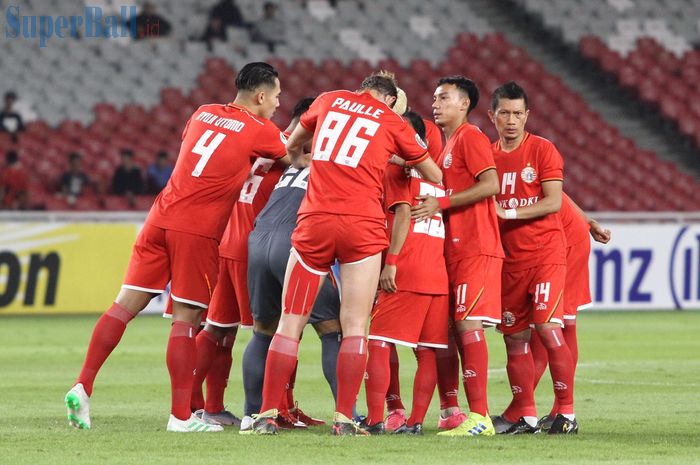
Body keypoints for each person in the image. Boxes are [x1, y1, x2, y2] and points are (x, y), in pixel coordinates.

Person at [64, 62, 288, 433]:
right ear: (260, 96)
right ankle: (181, 417)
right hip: (196, 230)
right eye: (276, 97)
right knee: (187, 320)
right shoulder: (260, 129)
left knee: (123, 305)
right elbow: (288, 154)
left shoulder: (202, 113)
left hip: (159, 216)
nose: (279, 104)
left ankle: (82, 385)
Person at [252, 72, 442, 436]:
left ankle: (266, 415)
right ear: (388, 100)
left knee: (290, 320)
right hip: (362, 227)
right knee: (355, 325)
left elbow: (293, 144)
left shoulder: (328, 99)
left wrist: (302, 161)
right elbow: (432, 171)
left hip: (315, 221)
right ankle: (344, 419)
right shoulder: (390, 120)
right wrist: (398, 160)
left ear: (361, 90)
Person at [187, 99, 302, 429]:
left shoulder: (257, 147)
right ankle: (271, 408)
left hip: (227, 241)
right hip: (253, 247)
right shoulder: (288, 159)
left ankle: (199, 406)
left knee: (218, 328)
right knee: (270, 332)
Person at [241, 97, 346, 433]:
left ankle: (252, 414)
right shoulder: (333, 167)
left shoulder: (291, 164)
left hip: (257, 242)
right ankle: (349, 415)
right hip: (293, 245)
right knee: (331, 331)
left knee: (263, 332)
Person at [411, 76, 503, 437]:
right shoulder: (449, 145)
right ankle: (460, 412)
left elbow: (491, 184)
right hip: (455, 248)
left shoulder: (472, 137)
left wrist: (442, 202)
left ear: (464, 104)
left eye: (444, 98)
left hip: (476, 246)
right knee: (452, 330)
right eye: (434, 97)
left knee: (468, 327)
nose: (436, 103)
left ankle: (481, 418)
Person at [487, 81, 578, 435]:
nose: (512, 121)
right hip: (509, 262)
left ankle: (566, 413)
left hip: (545, 255)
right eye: (505, 114)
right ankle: (525, 414)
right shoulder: (488, 155)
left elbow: (553, 201)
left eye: (518, 114)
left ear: (528, 116)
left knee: (547, 328)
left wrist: (506, 214)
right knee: (514, 338)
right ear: (492, 116)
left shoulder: (542, 150)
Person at [363, 110, 449, 435]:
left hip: (406, 270)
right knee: (427, 351)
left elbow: (401, 215)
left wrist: (391, 262)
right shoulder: (438, 175)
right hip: (437, 275)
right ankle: (415, 422)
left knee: (380, 343)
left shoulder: (399, 172)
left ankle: (373, 421)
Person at [520, 193, 611, 432]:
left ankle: (551, 410)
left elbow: (554, 193)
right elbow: (558, 193)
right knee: (549, 325)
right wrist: (588, 220)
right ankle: (540, 409)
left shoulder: (499, 160)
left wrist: (586, 221)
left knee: (549, 326)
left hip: (566, 241)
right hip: (558, 234)